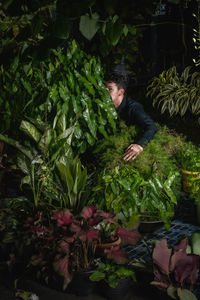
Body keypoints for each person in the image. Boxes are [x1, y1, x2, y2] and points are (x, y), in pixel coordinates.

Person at [105, 72, 157, 161]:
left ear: (120, 92)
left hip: (129, 149)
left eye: (110, 89)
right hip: (111, 147)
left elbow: (151, 127)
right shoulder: (103, 107)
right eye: (104, 89)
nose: (105, 92)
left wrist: (140, 145)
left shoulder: (133, 108)